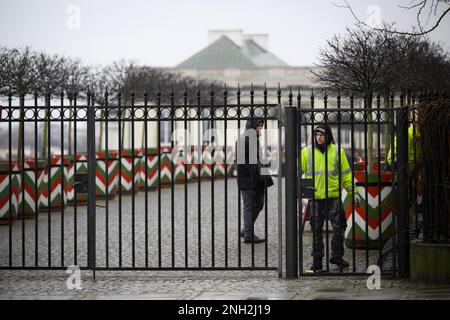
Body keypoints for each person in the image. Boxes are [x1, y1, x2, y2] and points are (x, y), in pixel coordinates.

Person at [300, 124, 359, 270]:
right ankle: (317, 261)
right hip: (316, 197)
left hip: (333, 196)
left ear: (328, 136)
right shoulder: (306, 152)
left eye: (321, 135)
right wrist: (303, 194)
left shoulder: (338, 151)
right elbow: (300, 173)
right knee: (317, 230)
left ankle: (337, 256)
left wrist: (354, 193)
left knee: (339, 228)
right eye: (316, 135)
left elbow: (346, 175)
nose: (318, 137)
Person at [236, 118, 274, 244]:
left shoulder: (255, 139)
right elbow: (243, 162)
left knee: (259, 204)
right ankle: (248, 235)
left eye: (261, 126)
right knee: (249, 206)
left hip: (257, 179)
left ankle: (246, 230)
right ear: (252, 127)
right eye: (259, 126)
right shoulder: (243, 140)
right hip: (248, 179)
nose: (261, 129)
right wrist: (257, 169)